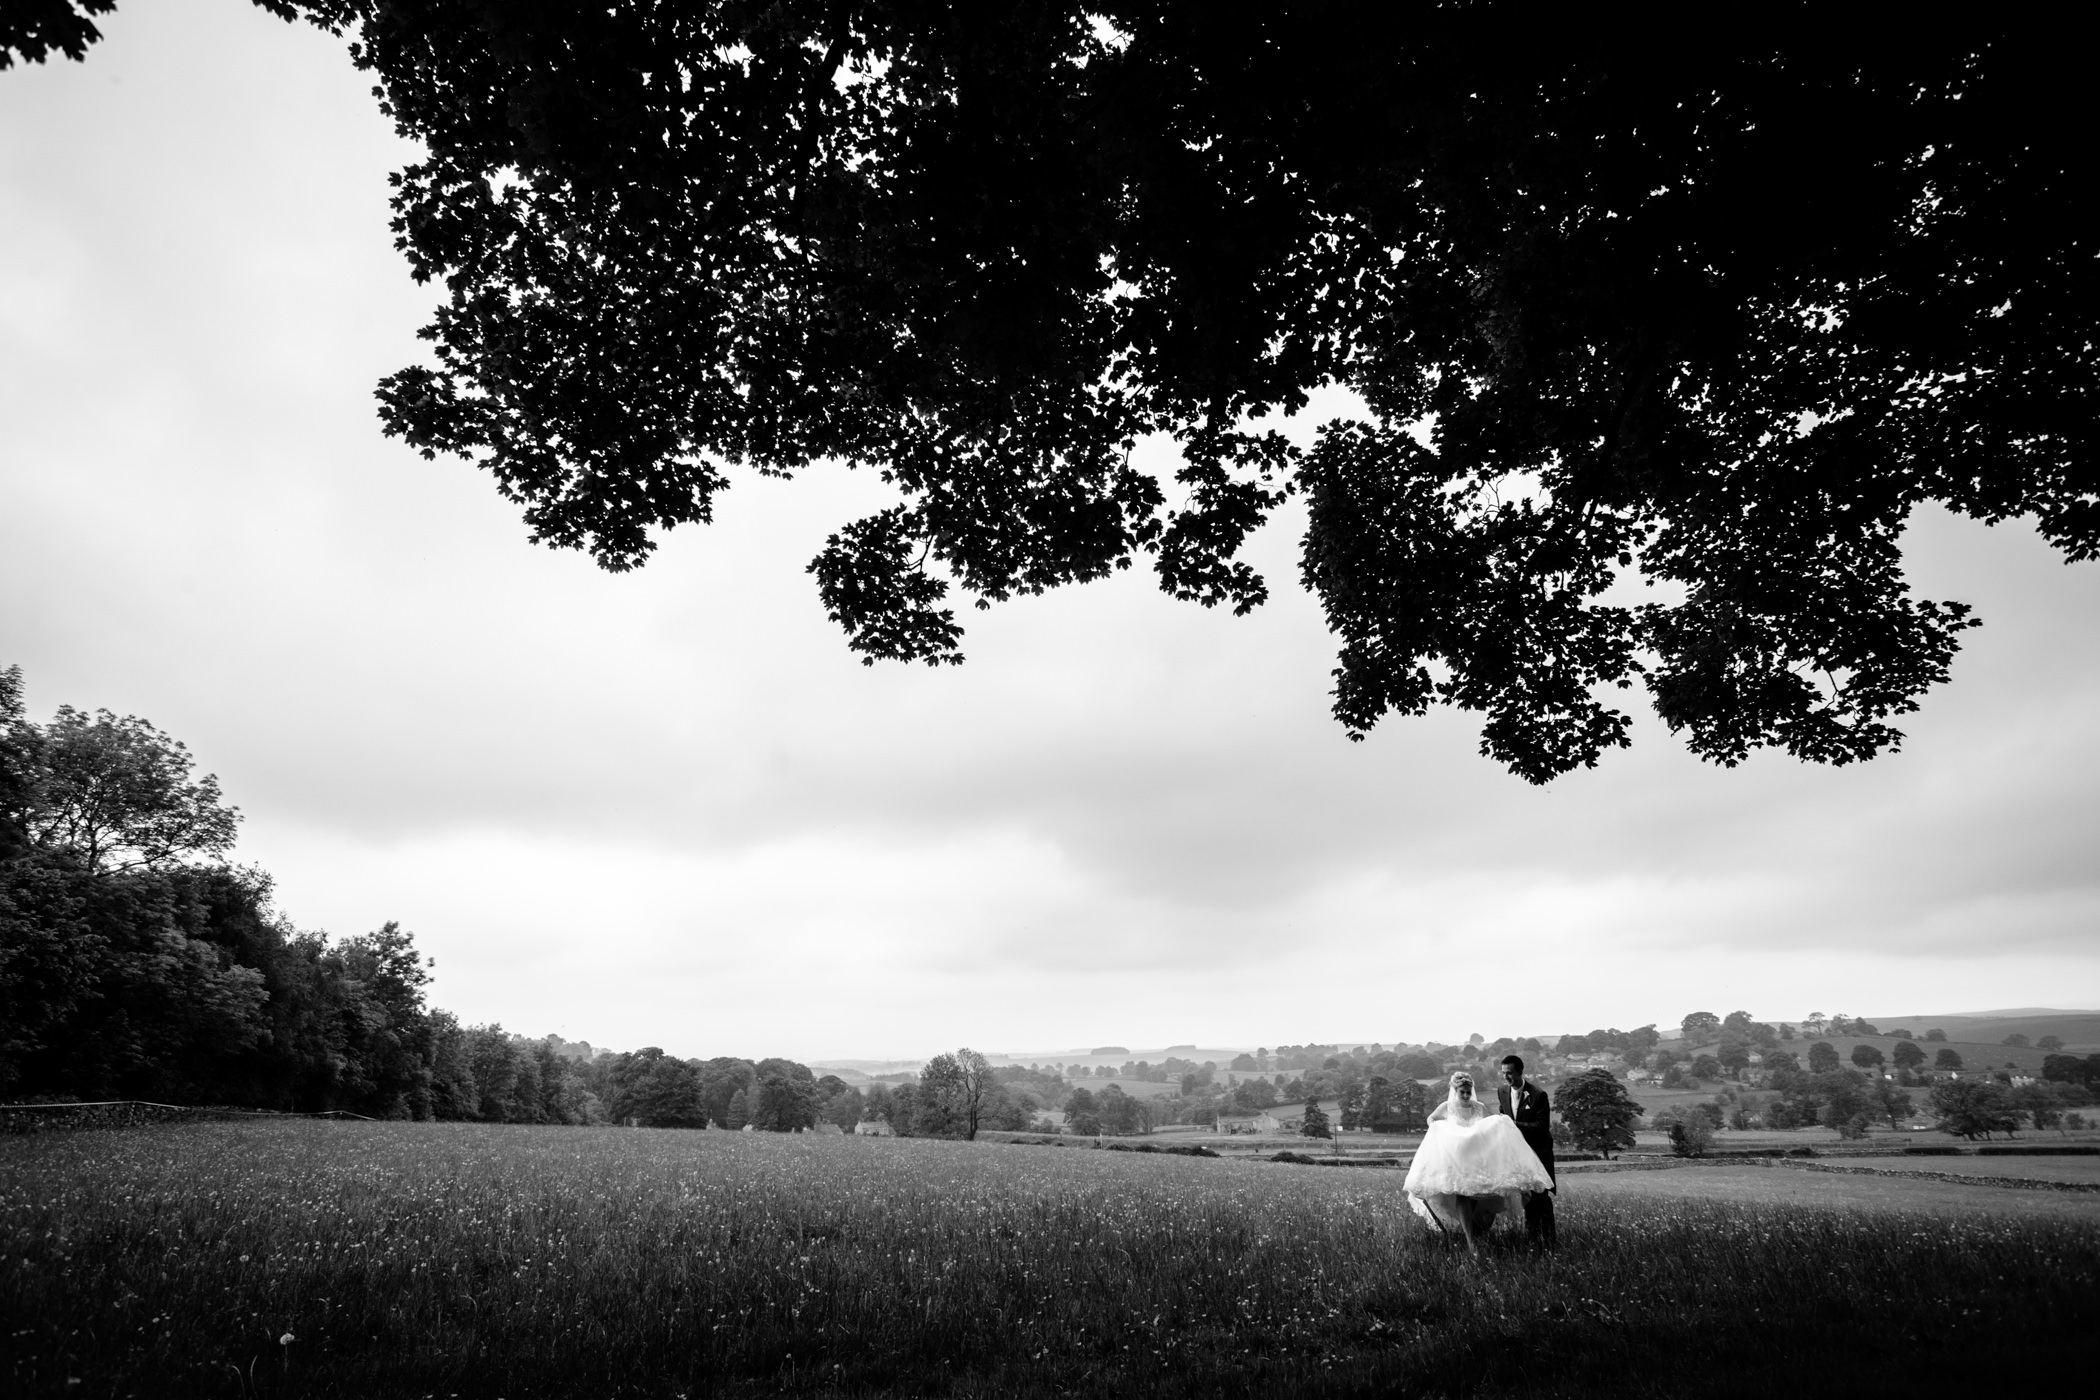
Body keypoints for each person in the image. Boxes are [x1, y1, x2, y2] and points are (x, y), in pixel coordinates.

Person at [1402, 1070, 1553, 1249]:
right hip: (1458, 1160)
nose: (1466, 1096)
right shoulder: (1446, 1107)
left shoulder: (1479, 1107)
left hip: (1479, 1161)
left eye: (1468, 1092)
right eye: (1462, 1092)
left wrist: (1501, 1123)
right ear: (1455, 1091)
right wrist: (1435, 1127)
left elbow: (1491, 1129)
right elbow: (1431, 1118)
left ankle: (1479, 1231)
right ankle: (1471, 1241)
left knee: (1488, 1196)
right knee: (1463, 1196)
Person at [1497, 1054, 1557, 1247]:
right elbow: (1503, 1114)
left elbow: (1542, 1126)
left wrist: (1514, 1124)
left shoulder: (1538, 1095)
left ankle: (1550, 1242)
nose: (1506, 1077)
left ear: (1520, 1072)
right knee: (1527, 1197)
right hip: (1517, 1154)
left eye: (1509, 1073)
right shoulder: (1502, 1091)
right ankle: (1532, 1240)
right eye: (1503, 1073)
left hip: (1538, 1152)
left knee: (1541, 1197)